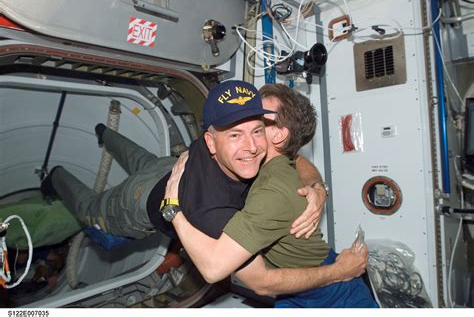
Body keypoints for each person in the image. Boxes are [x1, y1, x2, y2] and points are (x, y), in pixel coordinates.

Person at [40, 80, 367, 296]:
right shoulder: (219, 212)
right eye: (237, 130)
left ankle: (104, 133)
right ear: (212, 140)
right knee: (90, 209)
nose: (249, 139)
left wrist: (317, 187)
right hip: (140, 202)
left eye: (258, 125)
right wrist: (173, 208)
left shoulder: (241, 141)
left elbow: (295, 160)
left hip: (170, 166)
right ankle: (55, 175)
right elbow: (246, 277)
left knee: (140, 159)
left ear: (277, 136)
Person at [165, 83, 377, 307]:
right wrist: (318, 186)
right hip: (296, 286)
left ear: (278, 134)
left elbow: (214, 269)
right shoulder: (268, 163)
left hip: (333, 291)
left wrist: (173, 209)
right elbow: (297, 159)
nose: (248, 113)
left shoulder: (271, 192)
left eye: (259, 118)